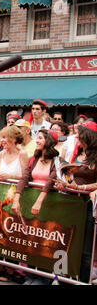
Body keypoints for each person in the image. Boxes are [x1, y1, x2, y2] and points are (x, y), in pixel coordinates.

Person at [54, 120, 97, 283]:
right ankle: (59, 277)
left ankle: (81, 279)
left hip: (87, 205)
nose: (76, 137)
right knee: (64, 243)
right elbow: (69, 177)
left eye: (80, 134)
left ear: (89, 136)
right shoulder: (76, 153)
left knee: (85, 247)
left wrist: (83, 188)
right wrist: (63, 182)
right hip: (70, 202)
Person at [12, 129, 59, 216]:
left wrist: (38, 202)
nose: (37, 141)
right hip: (31, 198)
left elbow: (50, 182)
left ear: (48, 141)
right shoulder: (34, 159)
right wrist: (16, 200)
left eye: (40, 138)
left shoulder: (57, 161)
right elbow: (24, 178)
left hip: (47, 202)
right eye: (37, 138)